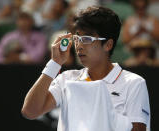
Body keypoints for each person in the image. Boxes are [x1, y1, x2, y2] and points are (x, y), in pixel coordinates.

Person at [21, 6, 150, 131]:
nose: (79, 46)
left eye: (87, 39)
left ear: (108, 45)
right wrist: (55, 63)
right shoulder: (66, 78)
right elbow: (30, 111)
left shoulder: (134, 83)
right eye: (77, 38)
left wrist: (102, 111)